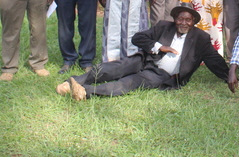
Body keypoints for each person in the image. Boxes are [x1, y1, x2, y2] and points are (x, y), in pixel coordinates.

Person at [56, 6, 229, 98]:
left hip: (161, 73)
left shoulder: (200, 38)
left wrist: (230, 76)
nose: (184, 23)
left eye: (188, 20)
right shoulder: (164, 26)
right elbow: (138, 38)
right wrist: (159, 47)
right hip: (145, 60)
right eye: (180, 19)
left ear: (193, 22)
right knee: (114, 68)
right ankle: (71, 82)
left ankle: (85, 91)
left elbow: (214, 60)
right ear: (175, 19)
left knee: (129, 83)